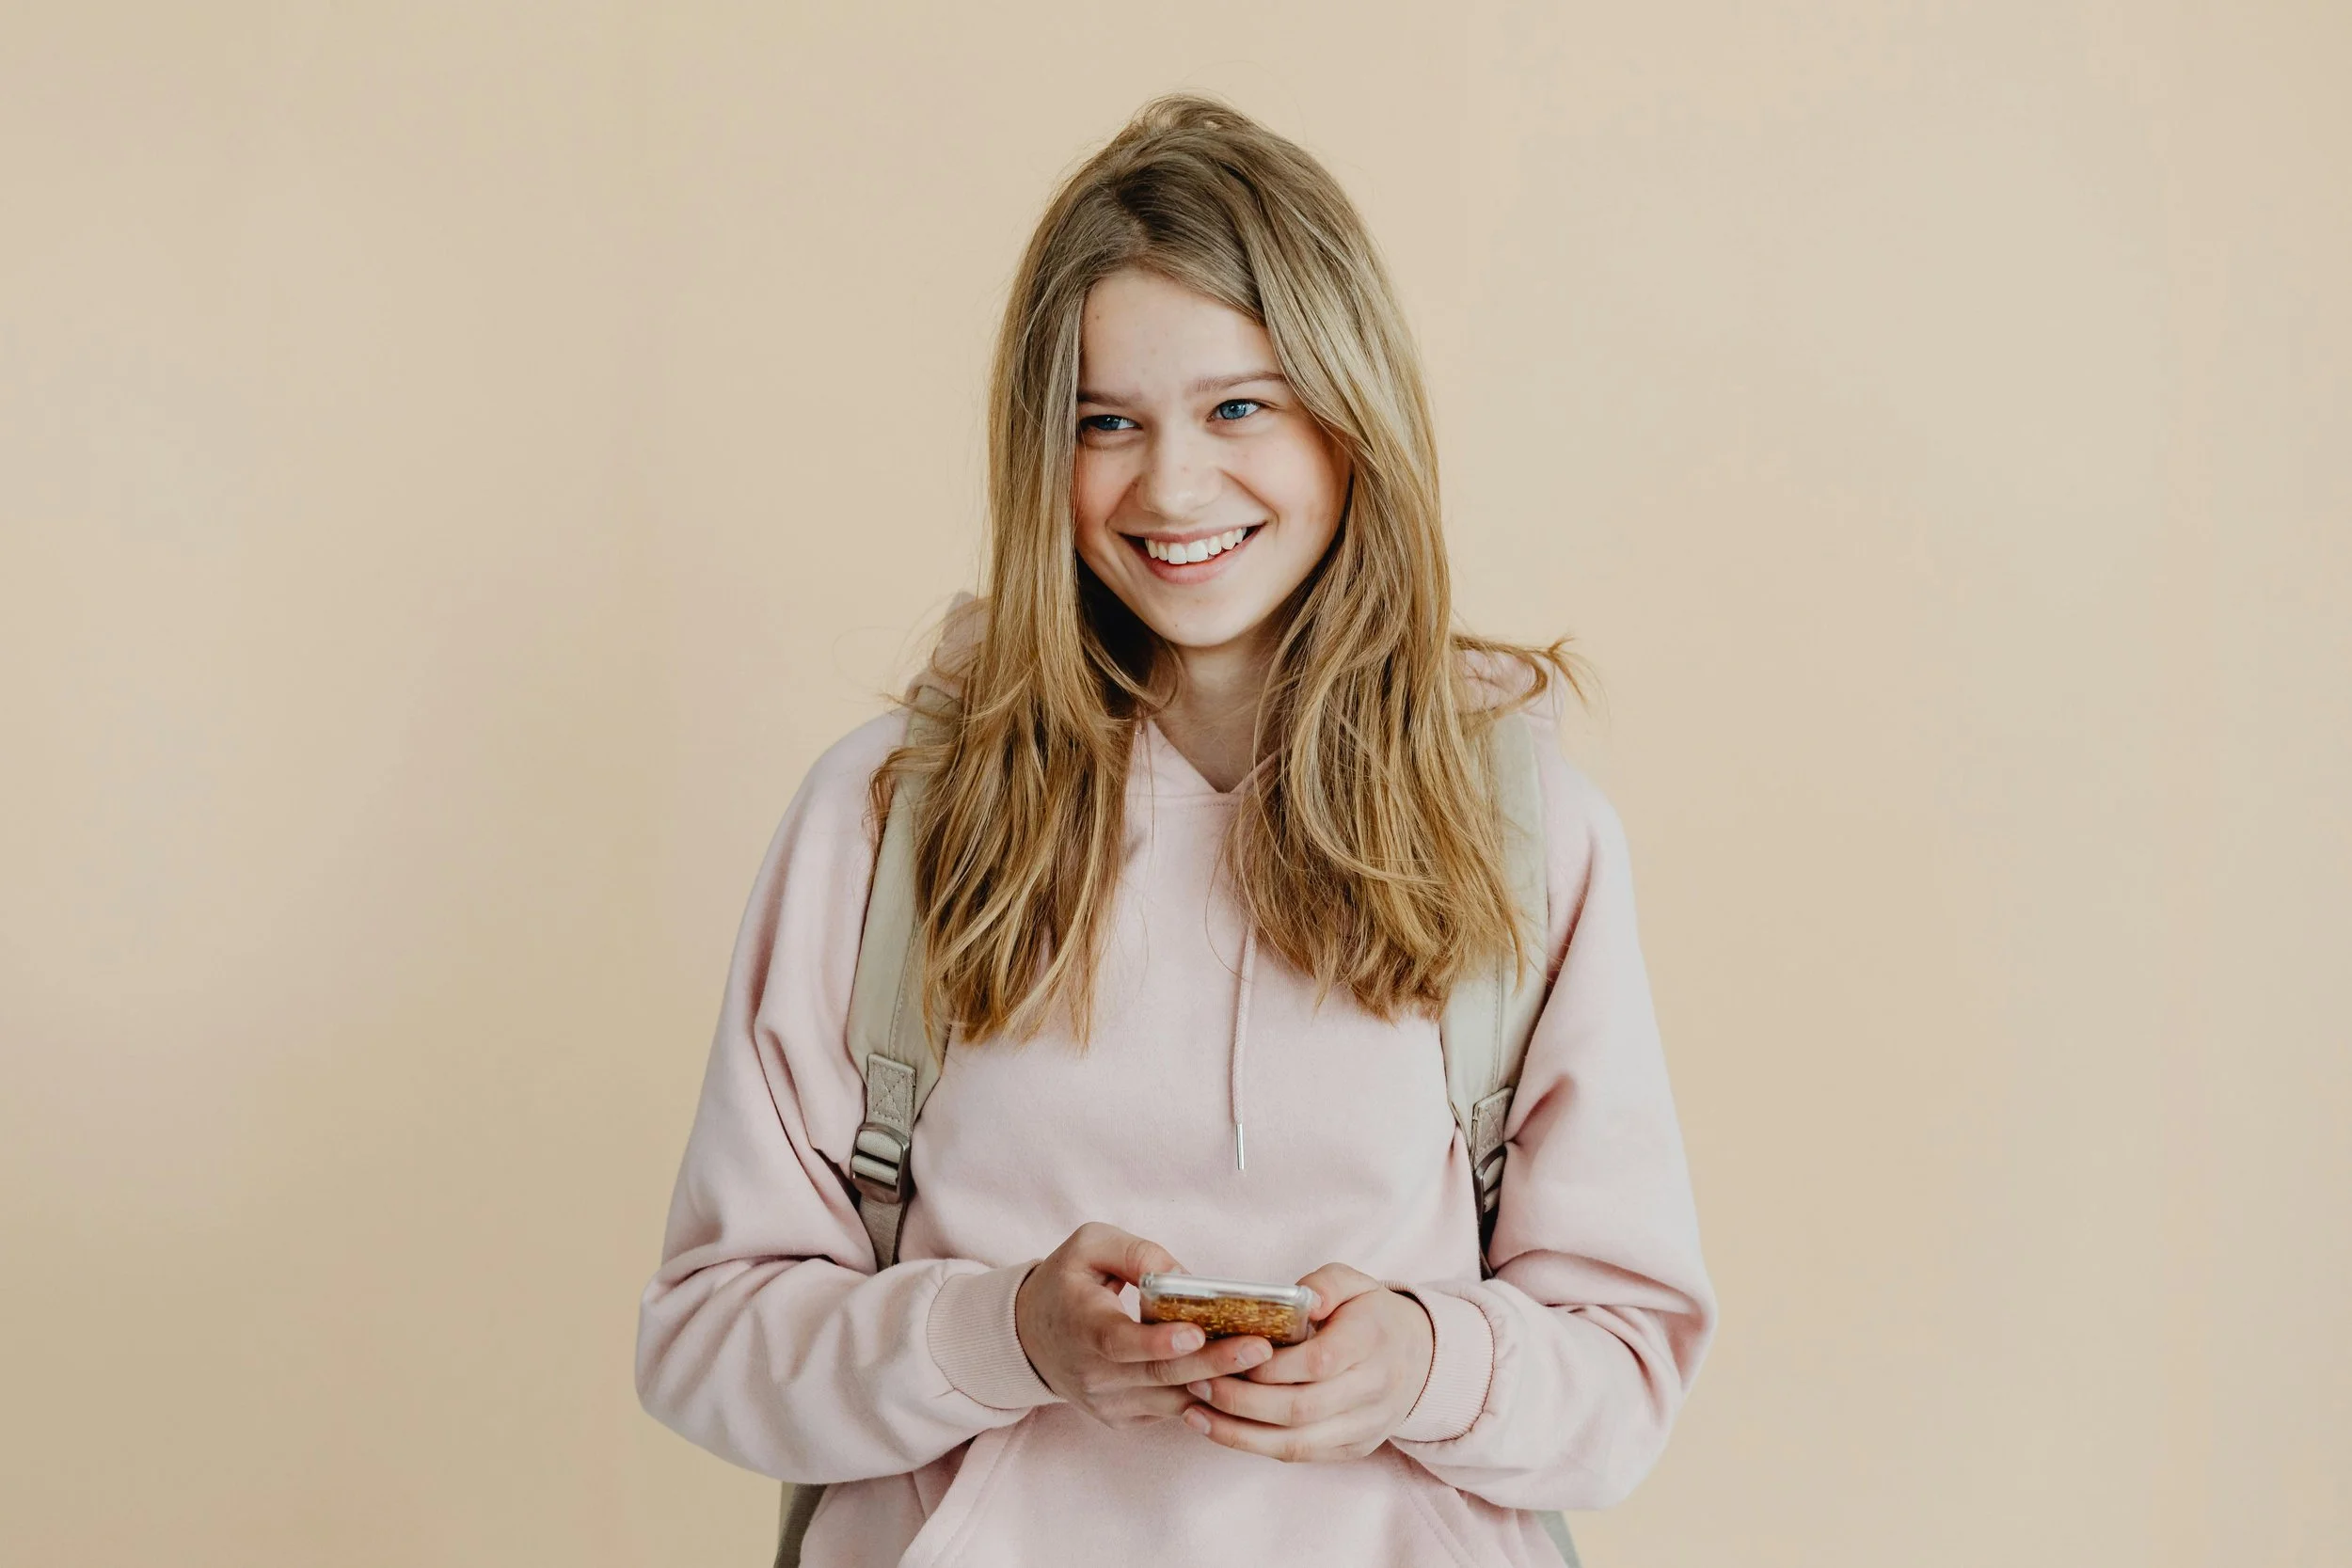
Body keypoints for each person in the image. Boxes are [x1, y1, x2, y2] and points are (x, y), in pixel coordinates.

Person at [634, 94, 1717, 1566]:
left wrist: (1421, 1362)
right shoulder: (888, 818)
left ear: (1351, 418)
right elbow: (705, 1336)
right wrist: (1002, 1330)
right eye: (1105, 423)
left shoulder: (1526, 840)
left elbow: (1627, 1367)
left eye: (1238, 407)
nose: (1173, 485)